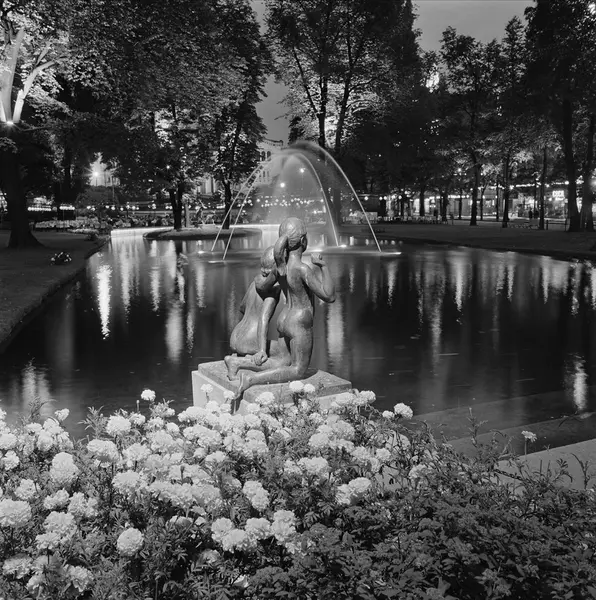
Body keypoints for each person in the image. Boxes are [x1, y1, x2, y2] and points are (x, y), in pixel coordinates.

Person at [228, 217, 336, 398]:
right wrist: (323, 266)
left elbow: (262, 286)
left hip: (284, 318)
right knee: (298, 370)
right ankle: (250, 379)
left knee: (282, 362)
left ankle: (237, 363)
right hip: (299, 322)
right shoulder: (302, 269)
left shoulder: (280, 268)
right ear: (303, 241)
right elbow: (329, 296)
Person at [225, 246, 281, 370]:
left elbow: (242, 307)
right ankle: (241, 360)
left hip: (235, 337)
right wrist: (262, 350)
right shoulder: (273, 289)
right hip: (250, 340)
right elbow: (263, 319)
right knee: (284, 352)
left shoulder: (254, 283)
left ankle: (240, 354)